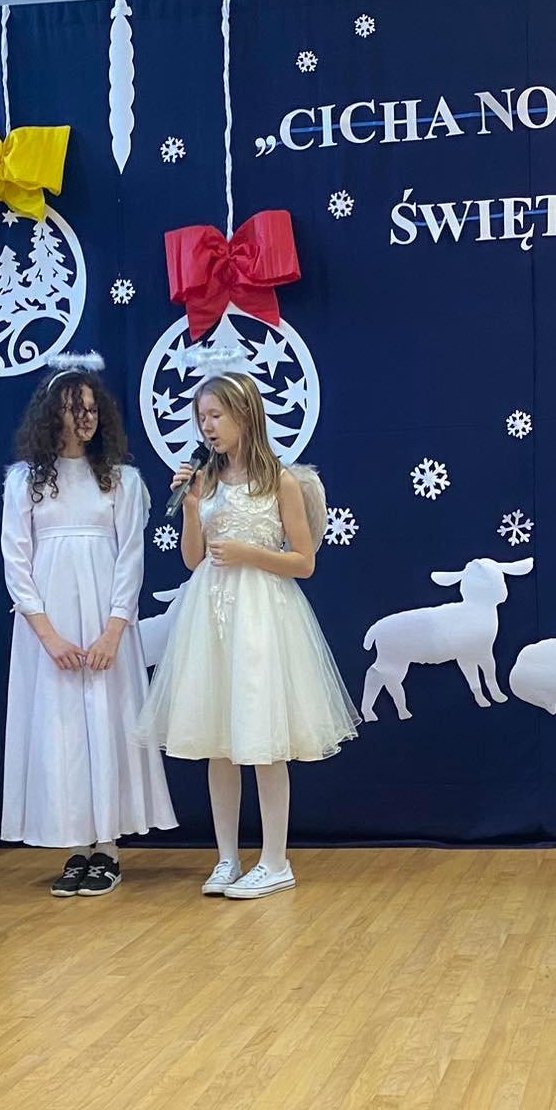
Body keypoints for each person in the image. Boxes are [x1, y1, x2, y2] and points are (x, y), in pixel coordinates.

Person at [137, 369, 357, 899]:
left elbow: (304, 561)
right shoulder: (208, 479)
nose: (207, 427)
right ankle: (227, 858)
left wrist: (248, 554)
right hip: (211, 616)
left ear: (244, 415)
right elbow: (193, 559)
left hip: (261, 616)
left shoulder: (280, 481)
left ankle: (276, 861)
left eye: (216, 415)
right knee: (219, 742)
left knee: (264, 739)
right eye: (202, 418)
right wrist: (192, 507)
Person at [0, 352, 175, 896]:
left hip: (105, 623)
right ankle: (77, 845)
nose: (86, 418)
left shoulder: (121, 481)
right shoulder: (24, 481)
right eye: (74, 408)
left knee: (106, 721)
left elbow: (130, 559)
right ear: (50, 413)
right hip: (48, 629)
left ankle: (109, 848)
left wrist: (114, 630)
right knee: (61, 731)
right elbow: (16, 561)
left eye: (93, 408)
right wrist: (48, 635)